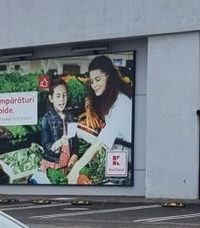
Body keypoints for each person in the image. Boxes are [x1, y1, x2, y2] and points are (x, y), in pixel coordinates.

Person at [67, 55, 133, 185]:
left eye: (98, 79)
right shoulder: (111, 100)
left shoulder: (122, 102)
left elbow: (101, 141)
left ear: (109, 76)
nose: (94, 85)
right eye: (92, 81)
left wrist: (76, 168)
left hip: (127, 156)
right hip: (118, 153)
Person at [37, 78, 79, 182]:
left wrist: (74, 156)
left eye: (64, 95)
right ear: (51, 98)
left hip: (67, 167)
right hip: (52, 167)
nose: (62, 99)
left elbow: (75, 143)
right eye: (58, 96)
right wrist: (59, 142)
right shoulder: (46, 119)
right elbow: (46, 146)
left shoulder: (71, 117)